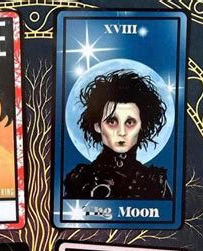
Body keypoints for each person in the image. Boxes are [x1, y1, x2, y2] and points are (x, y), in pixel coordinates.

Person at [64, 70, 171, 199]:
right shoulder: (80, 180)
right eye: (112, 122)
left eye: (130, 122)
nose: (121, 132)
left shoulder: (155, 183)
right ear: (97, 126)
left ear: (142, 126)